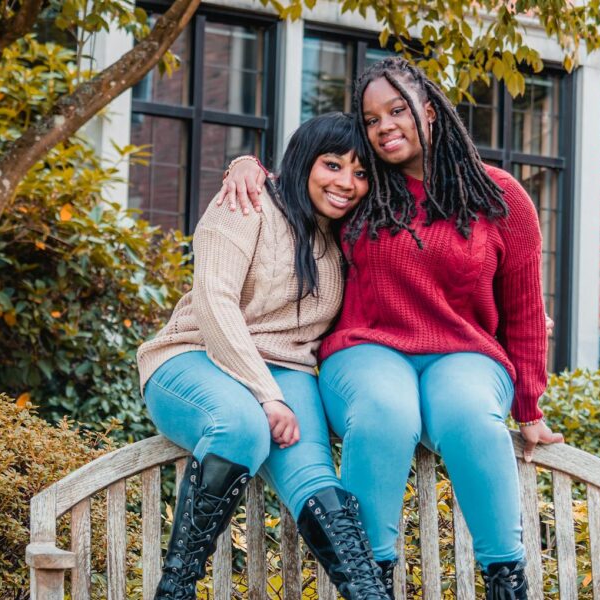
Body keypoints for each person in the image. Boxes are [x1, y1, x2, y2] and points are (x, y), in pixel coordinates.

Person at [218, 57, 564, 600]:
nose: (384, 127)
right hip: (365, 347)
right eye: (372, 118)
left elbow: (522, 309)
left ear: (428, 111)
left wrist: (531, 408)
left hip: (465, 353)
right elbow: (299, 182)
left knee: (470, 414)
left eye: (397, 110)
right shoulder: (361, 189)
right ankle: (370, 579)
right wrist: (246, 164)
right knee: (386, 411)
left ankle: (505, 577)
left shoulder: (501, 197)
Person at [136, 112, 390, 600]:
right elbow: (214, 300)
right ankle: (175, 590)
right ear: (304, 161)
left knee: (314, 477)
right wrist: (267, 395)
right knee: (241, 427)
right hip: (195, 354)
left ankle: (369, 594)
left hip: (288, 370)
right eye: (333, 165)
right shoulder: (246, 202)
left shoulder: (347, 234)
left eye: (360, 174)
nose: (346, 183)